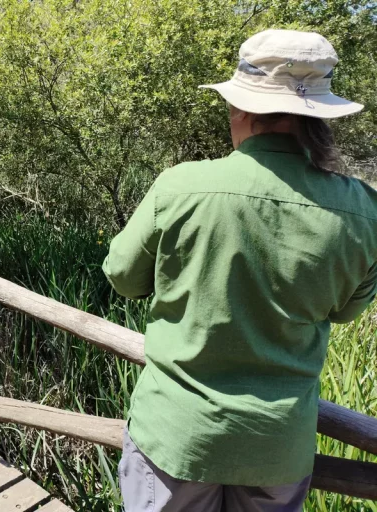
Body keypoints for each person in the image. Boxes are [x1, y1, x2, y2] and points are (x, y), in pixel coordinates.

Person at [103, 29, 375, 512]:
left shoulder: (180, 187)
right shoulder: (364, 211)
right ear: (320, 119)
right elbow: (347, 311)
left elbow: (122, 277)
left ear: (240, 109)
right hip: (278, 446)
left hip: (178, 434)